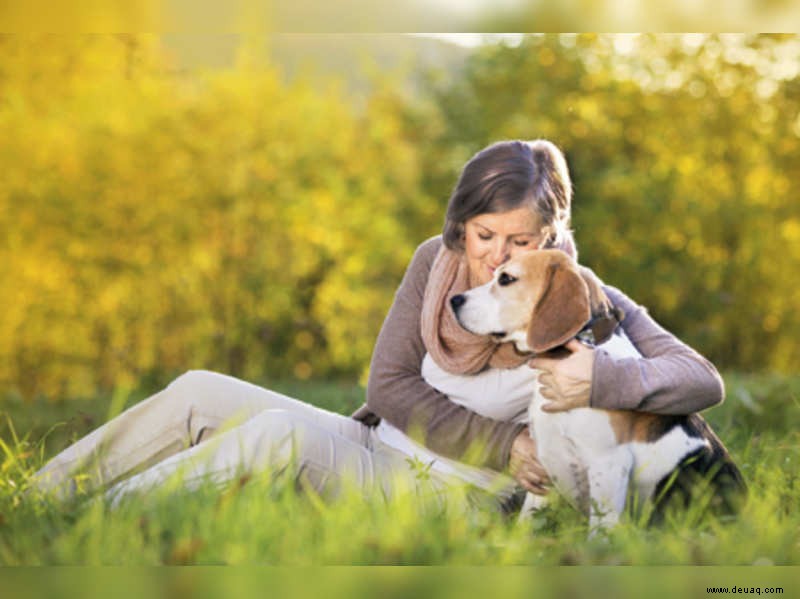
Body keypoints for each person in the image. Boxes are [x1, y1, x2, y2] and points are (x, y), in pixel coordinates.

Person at [30, 139, 724, 512]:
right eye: (484, 234)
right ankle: (40, 497)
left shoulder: (584, 303)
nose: (496, 257)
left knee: (275, 435)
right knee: (200, 388)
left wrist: (600, 375)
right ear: (462, 224)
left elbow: (701, 380)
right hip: (373, 438)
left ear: (552, 232)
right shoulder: (436, 262)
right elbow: (387, 385)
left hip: (452, 495)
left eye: (521, 240)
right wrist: (507, 438)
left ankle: (97, 519)